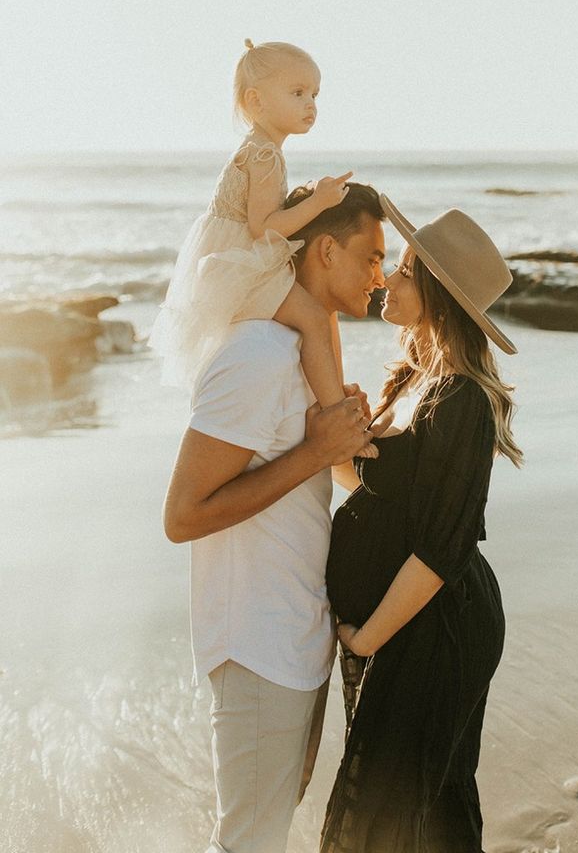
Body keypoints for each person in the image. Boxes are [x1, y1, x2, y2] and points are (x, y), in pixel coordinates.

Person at [163, 182, 386, 853]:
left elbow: (331, 476)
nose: (380, 275)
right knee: (248, 843)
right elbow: (182, 514)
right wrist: (318, 448)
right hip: (257, 644)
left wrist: (346, 446)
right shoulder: (256, 354)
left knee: (263, 832)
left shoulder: (304, 357)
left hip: (296, 635)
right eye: (371, 257)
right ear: (324, 250)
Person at [321, 197, 523, 853]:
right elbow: (380, 499)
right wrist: (345, 443)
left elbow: (440, 547)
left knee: (398, 804)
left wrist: (363, 641)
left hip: (439, 625)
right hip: (405, 621)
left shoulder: (462, 400)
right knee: (423, 802)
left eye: (405, 270)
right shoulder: (411, 378)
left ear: (435, 292)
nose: (387, 279)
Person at [149, 39, 352, 412]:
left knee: (309, 314)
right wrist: (318, 201)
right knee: (314, 320)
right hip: (241, 267)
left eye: (314, 94)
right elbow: (265, 228)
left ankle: (324, 398)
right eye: (297, 92)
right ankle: (338, 414)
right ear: (256, 101)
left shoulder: (260, 148)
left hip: (236, 260)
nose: (310, 104)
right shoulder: (264, 155)